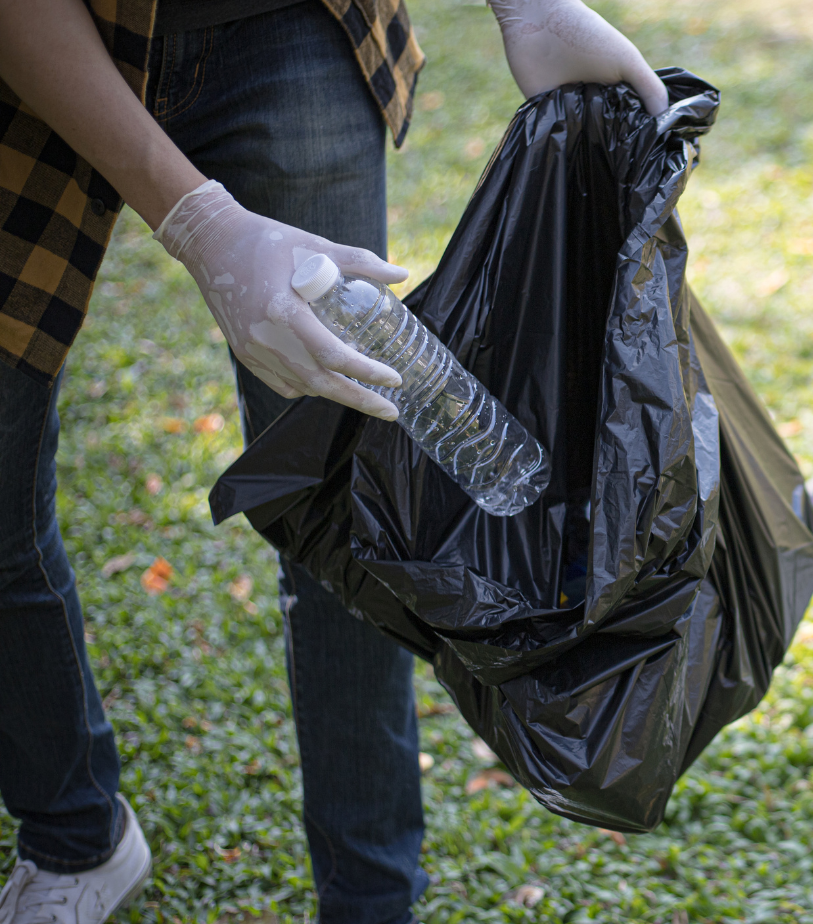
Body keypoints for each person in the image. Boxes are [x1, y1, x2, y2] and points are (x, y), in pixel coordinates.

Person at [0, 0, 664, 920]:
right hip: (32, 57)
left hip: (284, 23)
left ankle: (372, 902)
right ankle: (77, 840)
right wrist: (198, 223)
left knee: (360, 509)